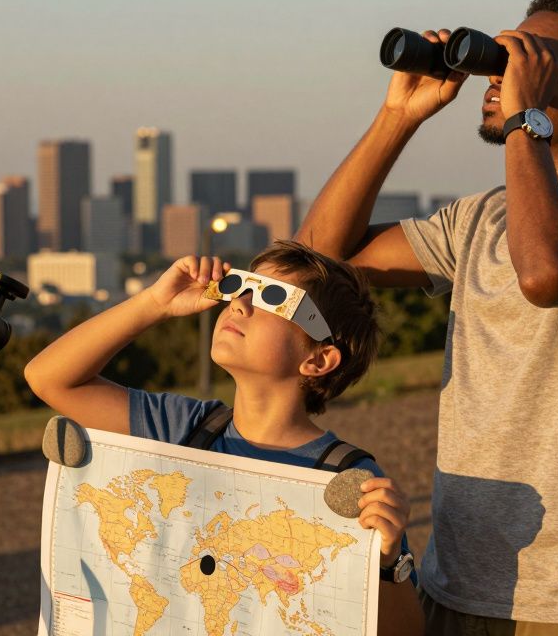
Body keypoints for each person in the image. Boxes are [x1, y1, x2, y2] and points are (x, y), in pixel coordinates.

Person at [296, 0, 558, 634]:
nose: (500, 75)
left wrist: (524, 119)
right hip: (451, 588)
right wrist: (398, 116)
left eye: (528, 60)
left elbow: (549, 272)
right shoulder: (480, 217)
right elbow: (315, 260)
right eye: (500, 54)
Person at [24, 240, 426, 633]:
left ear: (318, 359)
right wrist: (155, 304)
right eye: (240, 287)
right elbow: (49, 378)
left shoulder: (349, 480)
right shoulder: (183, 428)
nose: (239, 303)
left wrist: (388, 564)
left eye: (271, 298)